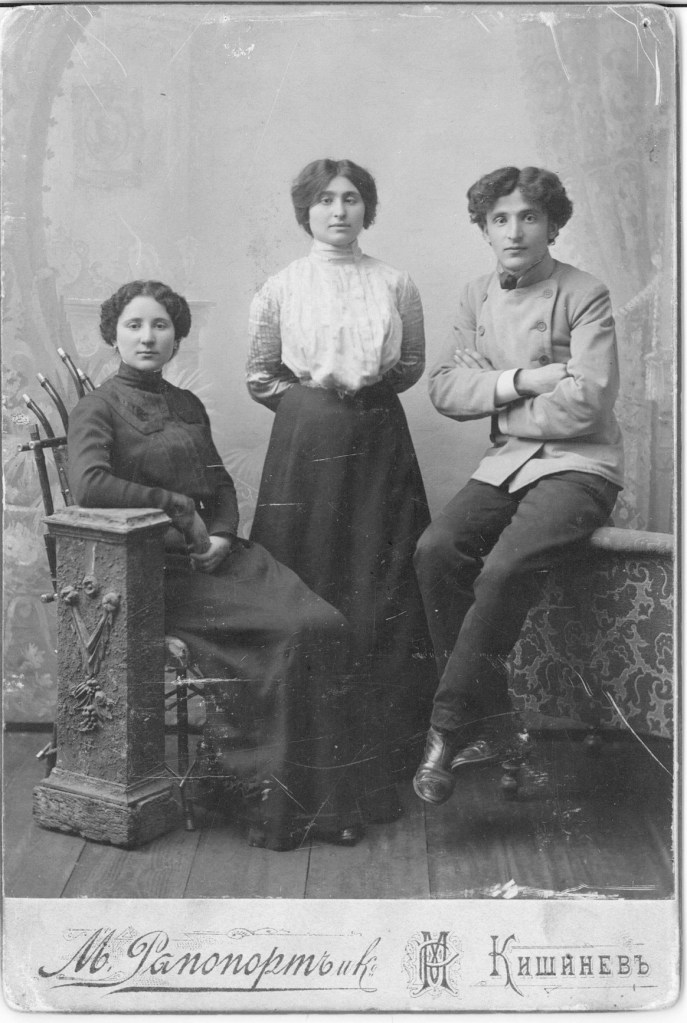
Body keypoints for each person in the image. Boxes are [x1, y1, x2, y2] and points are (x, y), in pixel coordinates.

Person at [68, 279, 368, 851]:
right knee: (291, 633)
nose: (147, 337)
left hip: (221, 558)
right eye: (133, 325)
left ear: (177, 336)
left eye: (160, 325)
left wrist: (225, 533)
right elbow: (88, 484)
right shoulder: (97, 408)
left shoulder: (186, 405)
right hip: (158, 572)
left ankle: (326, 803)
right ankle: (271, 806)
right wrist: (176, 507)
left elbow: (221, 485)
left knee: (325, 623)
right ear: (113, 335)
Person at [412, 166, 624, 806]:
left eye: (529, 216)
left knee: (503, 570)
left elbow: (586, 405)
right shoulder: (477, 293)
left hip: (580, 466)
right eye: (500, 218)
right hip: (506, 464)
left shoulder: (585, 292)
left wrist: (494, 395)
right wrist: (527, 382)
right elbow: (446, 390)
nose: (514, 230)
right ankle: (497, 721)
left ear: (553, 225)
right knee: (434, 551)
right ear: (483, 228)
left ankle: (447, 729)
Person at [247, 158, 433, 822]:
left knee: (380, 586)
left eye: (351, 198)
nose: (338, 210)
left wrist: (362, 402)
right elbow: (260, 374)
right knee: (311, 582)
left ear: (367, 209)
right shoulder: (280, 287)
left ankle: (383, 759)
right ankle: (301, 760)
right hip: (306, 450)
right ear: (306, 210)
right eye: (324, 199)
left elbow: (408, 364)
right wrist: (312, 413)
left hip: (380, 440)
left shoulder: (394, 283)